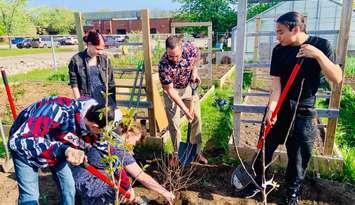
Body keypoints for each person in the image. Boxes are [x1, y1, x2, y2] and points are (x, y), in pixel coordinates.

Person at [239, 12, 342, 205]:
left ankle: (291, 192)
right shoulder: (279, 50)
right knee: (265, 146)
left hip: (304, 110)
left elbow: (336, 78)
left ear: (295, 29)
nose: (277, 36)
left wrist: (317, 55)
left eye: (280, 32)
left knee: (299, 155)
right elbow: (276, 85)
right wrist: (271, 109)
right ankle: (259, 181)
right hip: (280, 106)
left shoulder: (322, 45)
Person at [8, 96, 113, 205]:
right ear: (95, 127)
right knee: (30, 197)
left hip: (56, 148)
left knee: (68, 188)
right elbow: (18, 141)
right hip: (25, 148)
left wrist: (126, 186)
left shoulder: (92, 123)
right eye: (100, 133)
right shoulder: (57, 110)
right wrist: (64, 150)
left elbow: (106, 152)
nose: (100, 137)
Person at [71, 121, 175, 205]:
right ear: (129, 134)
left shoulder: (109, 136)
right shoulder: (118, 149)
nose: (134, 144)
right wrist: (164, 192)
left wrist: (128, 188)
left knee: (120, 185)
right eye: (136, 141)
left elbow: (118, 171)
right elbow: (141, 176)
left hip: (79, 176)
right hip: (89, 183)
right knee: (118, 189)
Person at [158, 35, 208, 165]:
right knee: (174, 124)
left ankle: (196, 152)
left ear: (181, 48)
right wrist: (184, 109)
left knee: (196, 118)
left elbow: (197, 57)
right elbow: (170, 90)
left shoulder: (190, 48)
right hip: (172, 91)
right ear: (166, 51)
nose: (174, 59)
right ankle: (176, 154)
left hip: (188, 88)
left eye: (176, 56)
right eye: (170, 56)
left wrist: (195, 71)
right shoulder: (163, 64)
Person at [68, 30, 116, 108]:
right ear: (89, 44)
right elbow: (74, 84)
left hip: (104, 99)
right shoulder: (76, 61)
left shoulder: (105, 60)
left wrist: (113, 105)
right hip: (87, 100)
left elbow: (111, 83)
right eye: (98, 49)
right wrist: (79, 104)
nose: (100, 52)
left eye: (102, 49)